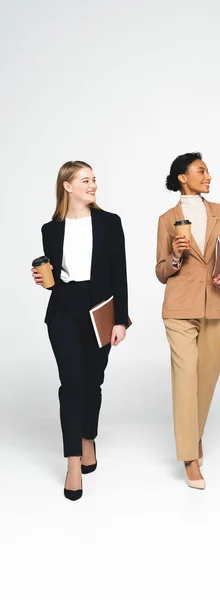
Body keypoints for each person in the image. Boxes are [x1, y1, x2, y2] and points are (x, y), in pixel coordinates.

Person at [31, 160, 129, 501]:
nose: (93, 185)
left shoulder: (109, 223)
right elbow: (54, 279)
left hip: (100, 309)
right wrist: (44, 282)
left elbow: (120, 274)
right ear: (67, 186)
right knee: (71, 383)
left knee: (93, 381)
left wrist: (121, 319)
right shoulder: (50, 229)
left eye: (94, 179)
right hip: (64, 311)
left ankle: (89, 436)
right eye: (85, 180)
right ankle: (74, 462)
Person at [156, 152, 220, 489]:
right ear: (182, 177)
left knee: (207, 376)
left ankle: (196, 434)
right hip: (178, 308)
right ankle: (190, 458)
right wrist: (175, 256)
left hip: (215, 304)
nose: (208, 176)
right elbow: (161, 271)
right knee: (185, 377)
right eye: (200, 171)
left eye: (207, 171)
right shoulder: (166, 219)